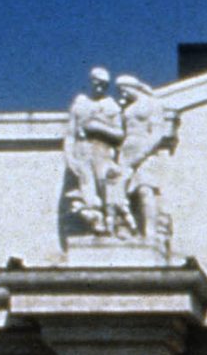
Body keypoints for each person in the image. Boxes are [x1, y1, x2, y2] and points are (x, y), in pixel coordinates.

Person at [63, 68, 126, 236]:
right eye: (96, 82)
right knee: (86, 189)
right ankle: (95, 223)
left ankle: (112, 224)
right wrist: (69, 158)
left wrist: (98, 127)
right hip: (82, 151)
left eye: (103, 84)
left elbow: (119, 134)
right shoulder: (80, 104)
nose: (99, 87)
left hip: (103, 151)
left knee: (105, 185)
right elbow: (70, 134)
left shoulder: (111, 106)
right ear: (91, 82)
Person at [116, 75, 178, 244]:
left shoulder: (152, 104)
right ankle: (128, 228)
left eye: (123, 89)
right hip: (126, 152)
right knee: (123, 193)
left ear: (131, 86)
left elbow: (157, 133)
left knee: (145, 189)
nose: (122, 94)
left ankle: (149, 232)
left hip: (146, 151)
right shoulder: (127, 108)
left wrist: (142, 154)